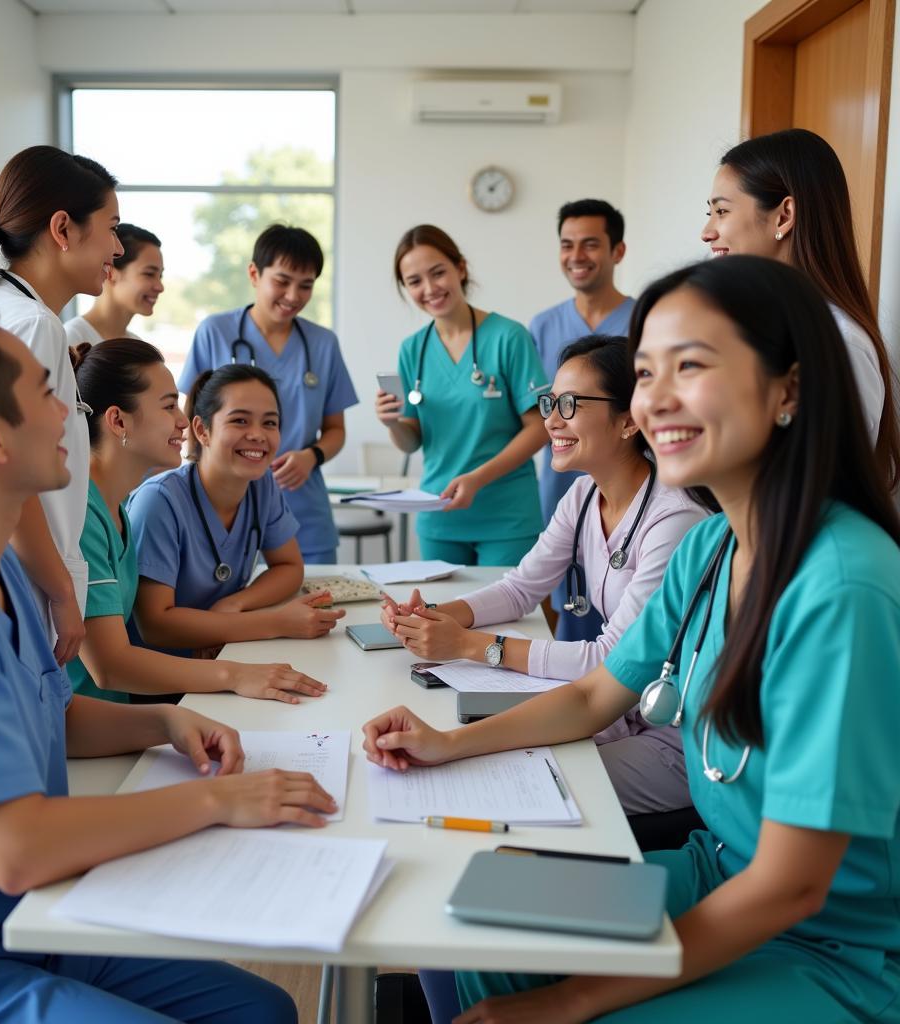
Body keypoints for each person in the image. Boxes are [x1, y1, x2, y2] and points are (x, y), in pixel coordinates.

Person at [364, 255, 900, 1023]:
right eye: (647, 373)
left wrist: (570, 1001)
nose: (657, 400)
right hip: (712, 869)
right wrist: (448, 746)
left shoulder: (842, 584)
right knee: (477, 921)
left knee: (556, 1002)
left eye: (691, 365)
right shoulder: (711, 547)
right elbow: (592, 693)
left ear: (789, 388)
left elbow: (793, 884)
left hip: (829, 943)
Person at [0, 297, 338, 1024]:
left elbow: (51, 716)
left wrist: (164, 723)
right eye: (45, 392)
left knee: (264, 1011)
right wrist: (217, 799)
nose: (70, 412)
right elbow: (15, 851)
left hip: (26, 916)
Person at [381, 334, 707, 815]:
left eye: (570, 403)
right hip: (616, 710)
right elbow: (519, 589)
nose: (551, 419)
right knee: (494, 758)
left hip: (676, 733)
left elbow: (607, 660)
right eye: (550, 401)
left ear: (629, 421)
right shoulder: (582, 496)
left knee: (523, 780)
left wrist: (471, 646)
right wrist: (429, 616)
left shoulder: (675, 519)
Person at [0, 144, 125, 665]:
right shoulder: (33, 326)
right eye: (112, 227)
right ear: (63, 230)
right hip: (16, 582)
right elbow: (12, 483)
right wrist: (63, 593)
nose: (117, 247)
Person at [69, 338, 329, 705]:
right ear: (117, 420)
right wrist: (246, 658)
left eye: (270, 422)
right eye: (168, 406)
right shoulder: (106, 509)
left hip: (125, 705)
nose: (181, 422)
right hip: (111, 710)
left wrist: (234, 612)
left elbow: (289, 565)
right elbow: (121, 655)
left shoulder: (114, 508)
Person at [702, 127, 900, 490]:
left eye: (721, 211)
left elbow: (820, 489)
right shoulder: (755, 328)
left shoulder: (839, 344)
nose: (707, 231)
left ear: (784, 216)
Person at [127, 363, 346, 657]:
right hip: (164, 674)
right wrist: (274, 622)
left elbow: (289, 566)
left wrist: (235, 604)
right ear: (202, 430)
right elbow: (155, 624)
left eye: (270, 423)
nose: (257, 435)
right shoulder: (159, 501)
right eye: (240, 421)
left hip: (225, 654)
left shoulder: (261, 485)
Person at [178, 225, 358, 564]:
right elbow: (192, 418)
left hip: (302, 506)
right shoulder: (215, 332)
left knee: (315, 606)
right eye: (282, 280)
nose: (293, 295)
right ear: (254, 273)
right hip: (223, 503)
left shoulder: (323, 344)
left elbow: (336, 430)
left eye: (306, 285)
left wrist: (311, 456)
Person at [376, 224, 549, 566]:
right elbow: (412, 441)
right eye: (414, 281)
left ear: (461, 268)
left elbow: (540, 427)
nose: (429, 288)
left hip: (506, 516)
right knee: (437, 617)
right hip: (439, 514)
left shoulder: (508, 337)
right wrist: (393, 423)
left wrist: (477, 479)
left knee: (505, 620)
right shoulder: (413, 350)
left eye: (438, 273)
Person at [531, 199, 635, 525]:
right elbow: (535, 417)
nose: (576, 256)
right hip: (559, 489)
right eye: (567, 245)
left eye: (590, 245)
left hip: (628, 490)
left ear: (617, 251)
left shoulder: (645, 321)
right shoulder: (542, 326)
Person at [64, 223, 164, 346]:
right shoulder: (71, 339)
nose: (160, 287)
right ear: (110, 272)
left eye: (160, 276)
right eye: (149, 274)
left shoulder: (137, 346)